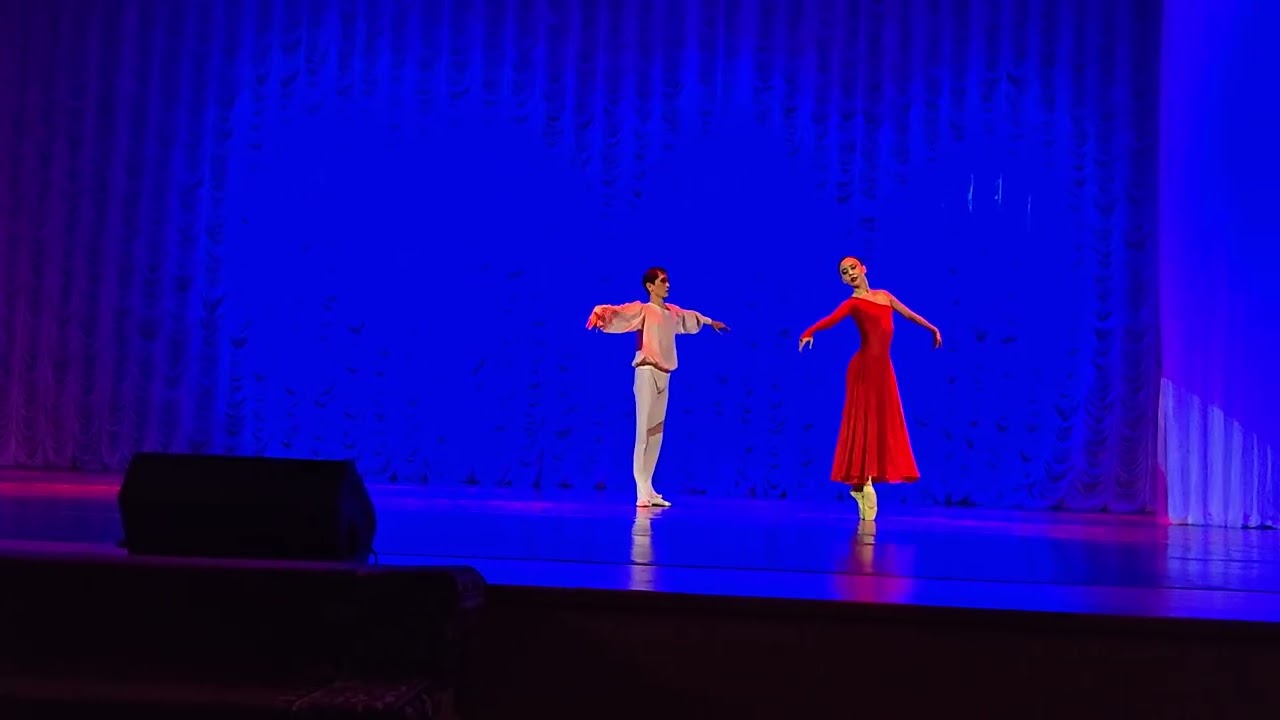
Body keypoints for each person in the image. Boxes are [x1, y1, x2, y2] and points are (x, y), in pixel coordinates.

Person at [798, 256, 941, 520]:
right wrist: (809, 331)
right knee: (863, 423)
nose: (850, 273)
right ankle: (863, 481)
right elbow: (830, 320)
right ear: (842, 280)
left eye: (853, 267)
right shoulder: (852, 304)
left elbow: (908, 314)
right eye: (844, 272)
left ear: (864, 268)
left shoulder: (885, 296)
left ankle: (862, 485)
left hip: (883, 370)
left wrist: (932, 328)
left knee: (882, 424)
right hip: (863, 369)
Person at [587, 267, 729, 507]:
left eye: (668, 281)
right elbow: (621, 312)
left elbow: (690, 316)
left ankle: (649, 486)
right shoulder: (645, 311)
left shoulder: (672, 313)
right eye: (662, 281)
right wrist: (600, 313)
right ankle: (640, 489)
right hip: (646, 372)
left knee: (656, 432)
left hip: (665, 374)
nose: (667, 285)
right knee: (643, 430)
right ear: (650, 287)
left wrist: (709, 322)